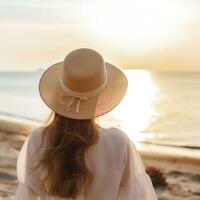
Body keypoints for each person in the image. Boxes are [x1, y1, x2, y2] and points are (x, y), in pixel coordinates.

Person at [15, 48, 157, 200]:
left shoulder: (38, 139)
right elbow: (136, 195)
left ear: (58, 92)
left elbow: (28, 195)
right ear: (100, 97)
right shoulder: (117, 141)